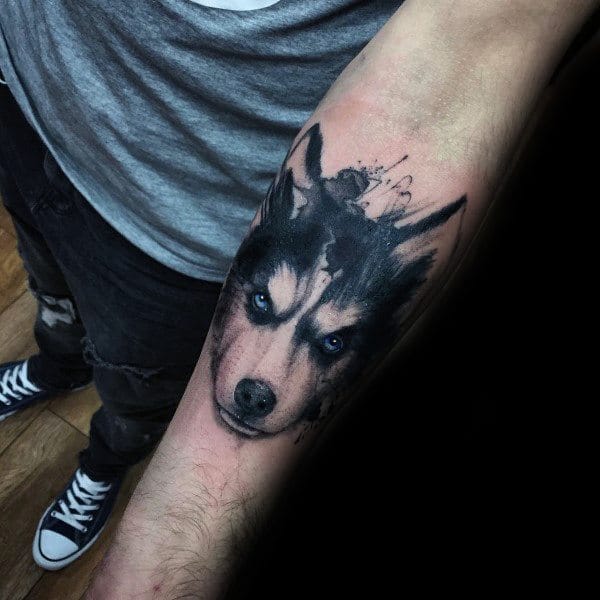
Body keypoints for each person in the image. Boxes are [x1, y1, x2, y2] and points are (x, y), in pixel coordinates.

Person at [0, 0, 595, 594]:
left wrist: (158, 560)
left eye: (328, 340)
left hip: (174, 236)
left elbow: (464, 53)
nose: (266, 376)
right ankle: (59, 364)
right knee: (50, 291)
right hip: (23, 97)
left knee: (136, 392)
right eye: (263, 306)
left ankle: (106, 460)